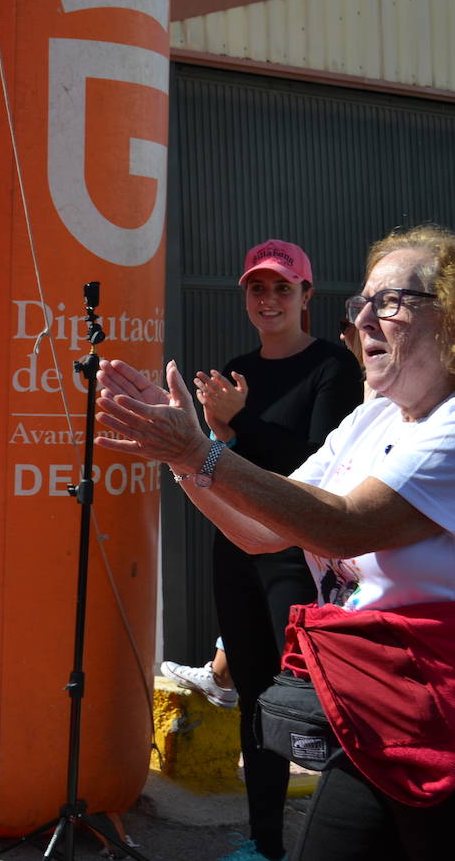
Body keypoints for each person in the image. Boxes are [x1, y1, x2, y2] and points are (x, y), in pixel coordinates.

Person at [96, 224, 455, 861]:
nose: (365, 317)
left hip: (438, 719)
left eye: (391, 301)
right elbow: (263, 532)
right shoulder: (373, 413)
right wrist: (183, 459)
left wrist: (199, 449)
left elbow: (343, 523)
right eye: (361, 303)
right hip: (375, 713)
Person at [162, 239, 363, 860]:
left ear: (307, 294)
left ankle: (340, 839)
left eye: (282, 287)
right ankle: (265, 843)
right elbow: (229, 470)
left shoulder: (333, 366)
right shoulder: (234, 371)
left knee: (305, 697)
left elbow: (314, 471)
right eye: (257, 288)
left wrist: (235, 426)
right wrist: (211, 435)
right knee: (252, 692)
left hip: (300, 555)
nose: (269, 299)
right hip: (237, 544)